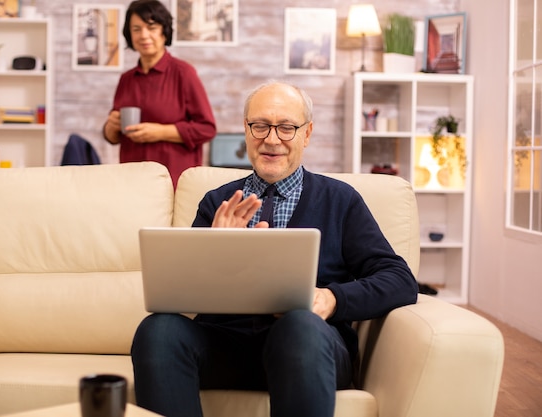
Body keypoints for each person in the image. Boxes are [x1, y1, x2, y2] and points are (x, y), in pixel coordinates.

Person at [131, 81, 418, 417]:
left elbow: (400, 279)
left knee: (299, 326)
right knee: (158, 330)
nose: (271, 139)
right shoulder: (216, 202)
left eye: (286, 128)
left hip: (307, 347)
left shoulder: (340, 201)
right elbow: (180, 294)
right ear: (246, 130)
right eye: (260, 126)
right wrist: (217, 249)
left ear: (307, 134)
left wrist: (331, 299)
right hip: (226, 346)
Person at [102, 0, 216, 188]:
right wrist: (110, 127)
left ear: (164, 31)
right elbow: (114, 136)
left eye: (151, 27)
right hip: (131, 181)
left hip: (174, 183)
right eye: (136, 29)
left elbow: (207, 129)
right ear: (129, 35)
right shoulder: (126, 79)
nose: (144, 35)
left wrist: (160, 132)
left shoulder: (183, 73)